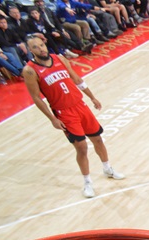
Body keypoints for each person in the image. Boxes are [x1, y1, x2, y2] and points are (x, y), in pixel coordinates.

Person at [22, 35, 125, 198]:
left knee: (98, 139)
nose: (40, 48)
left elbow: (76, 78)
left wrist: (92, 96)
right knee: (82, 147)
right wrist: (52, 119)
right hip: (63, 112)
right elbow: (36, 97)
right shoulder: (29, 70)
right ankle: (87, 183)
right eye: (35, 47)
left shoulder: (59, 58)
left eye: (42, 45)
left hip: (80, 105)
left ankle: (108, 169)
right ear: (30, 50)